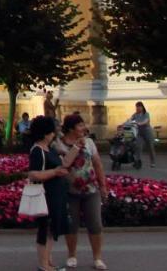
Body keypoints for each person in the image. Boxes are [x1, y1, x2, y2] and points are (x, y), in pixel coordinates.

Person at [55, 113, 108, 270]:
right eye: (80, 125)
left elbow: (97, 164)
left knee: (95, 225)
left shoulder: (90, 143)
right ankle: (72, 255)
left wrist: (103, 185)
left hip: (91, 190)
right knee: (71, 225)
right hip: (70, 191)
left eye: (83, 125)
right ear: (71, 129)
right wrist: (76, 147)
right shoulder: (60, 144)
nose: (83, 128)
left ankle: (97, 258)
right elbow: (63, 165)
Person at [26, 114, 71, 271]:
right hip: (45, 194)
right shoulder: (37, 150)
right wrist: (55, 172)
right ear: (45, 133)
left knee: (52, 229)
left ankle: (48, 260)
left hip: (56, 193)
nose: (54, 135)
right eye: (52, 132)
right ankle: (43, 264)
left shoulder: (50, 148)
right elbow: (33, 174)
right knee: (45, 230)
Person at [129, 101, 156, 166]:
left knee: (150, 147)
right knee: (138, 146)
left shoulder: (146, 114)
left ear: (142, 107)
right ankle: (137, 160)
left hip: (147, 132)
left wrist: (140, 123)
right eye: (137, 107)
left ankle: (153, 162)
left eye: (139, 107)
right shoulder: (135, 115)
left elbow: (146, 121)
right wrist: (126, 123)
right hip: (139, 132)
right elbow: (130, 120)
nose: (138, 108)